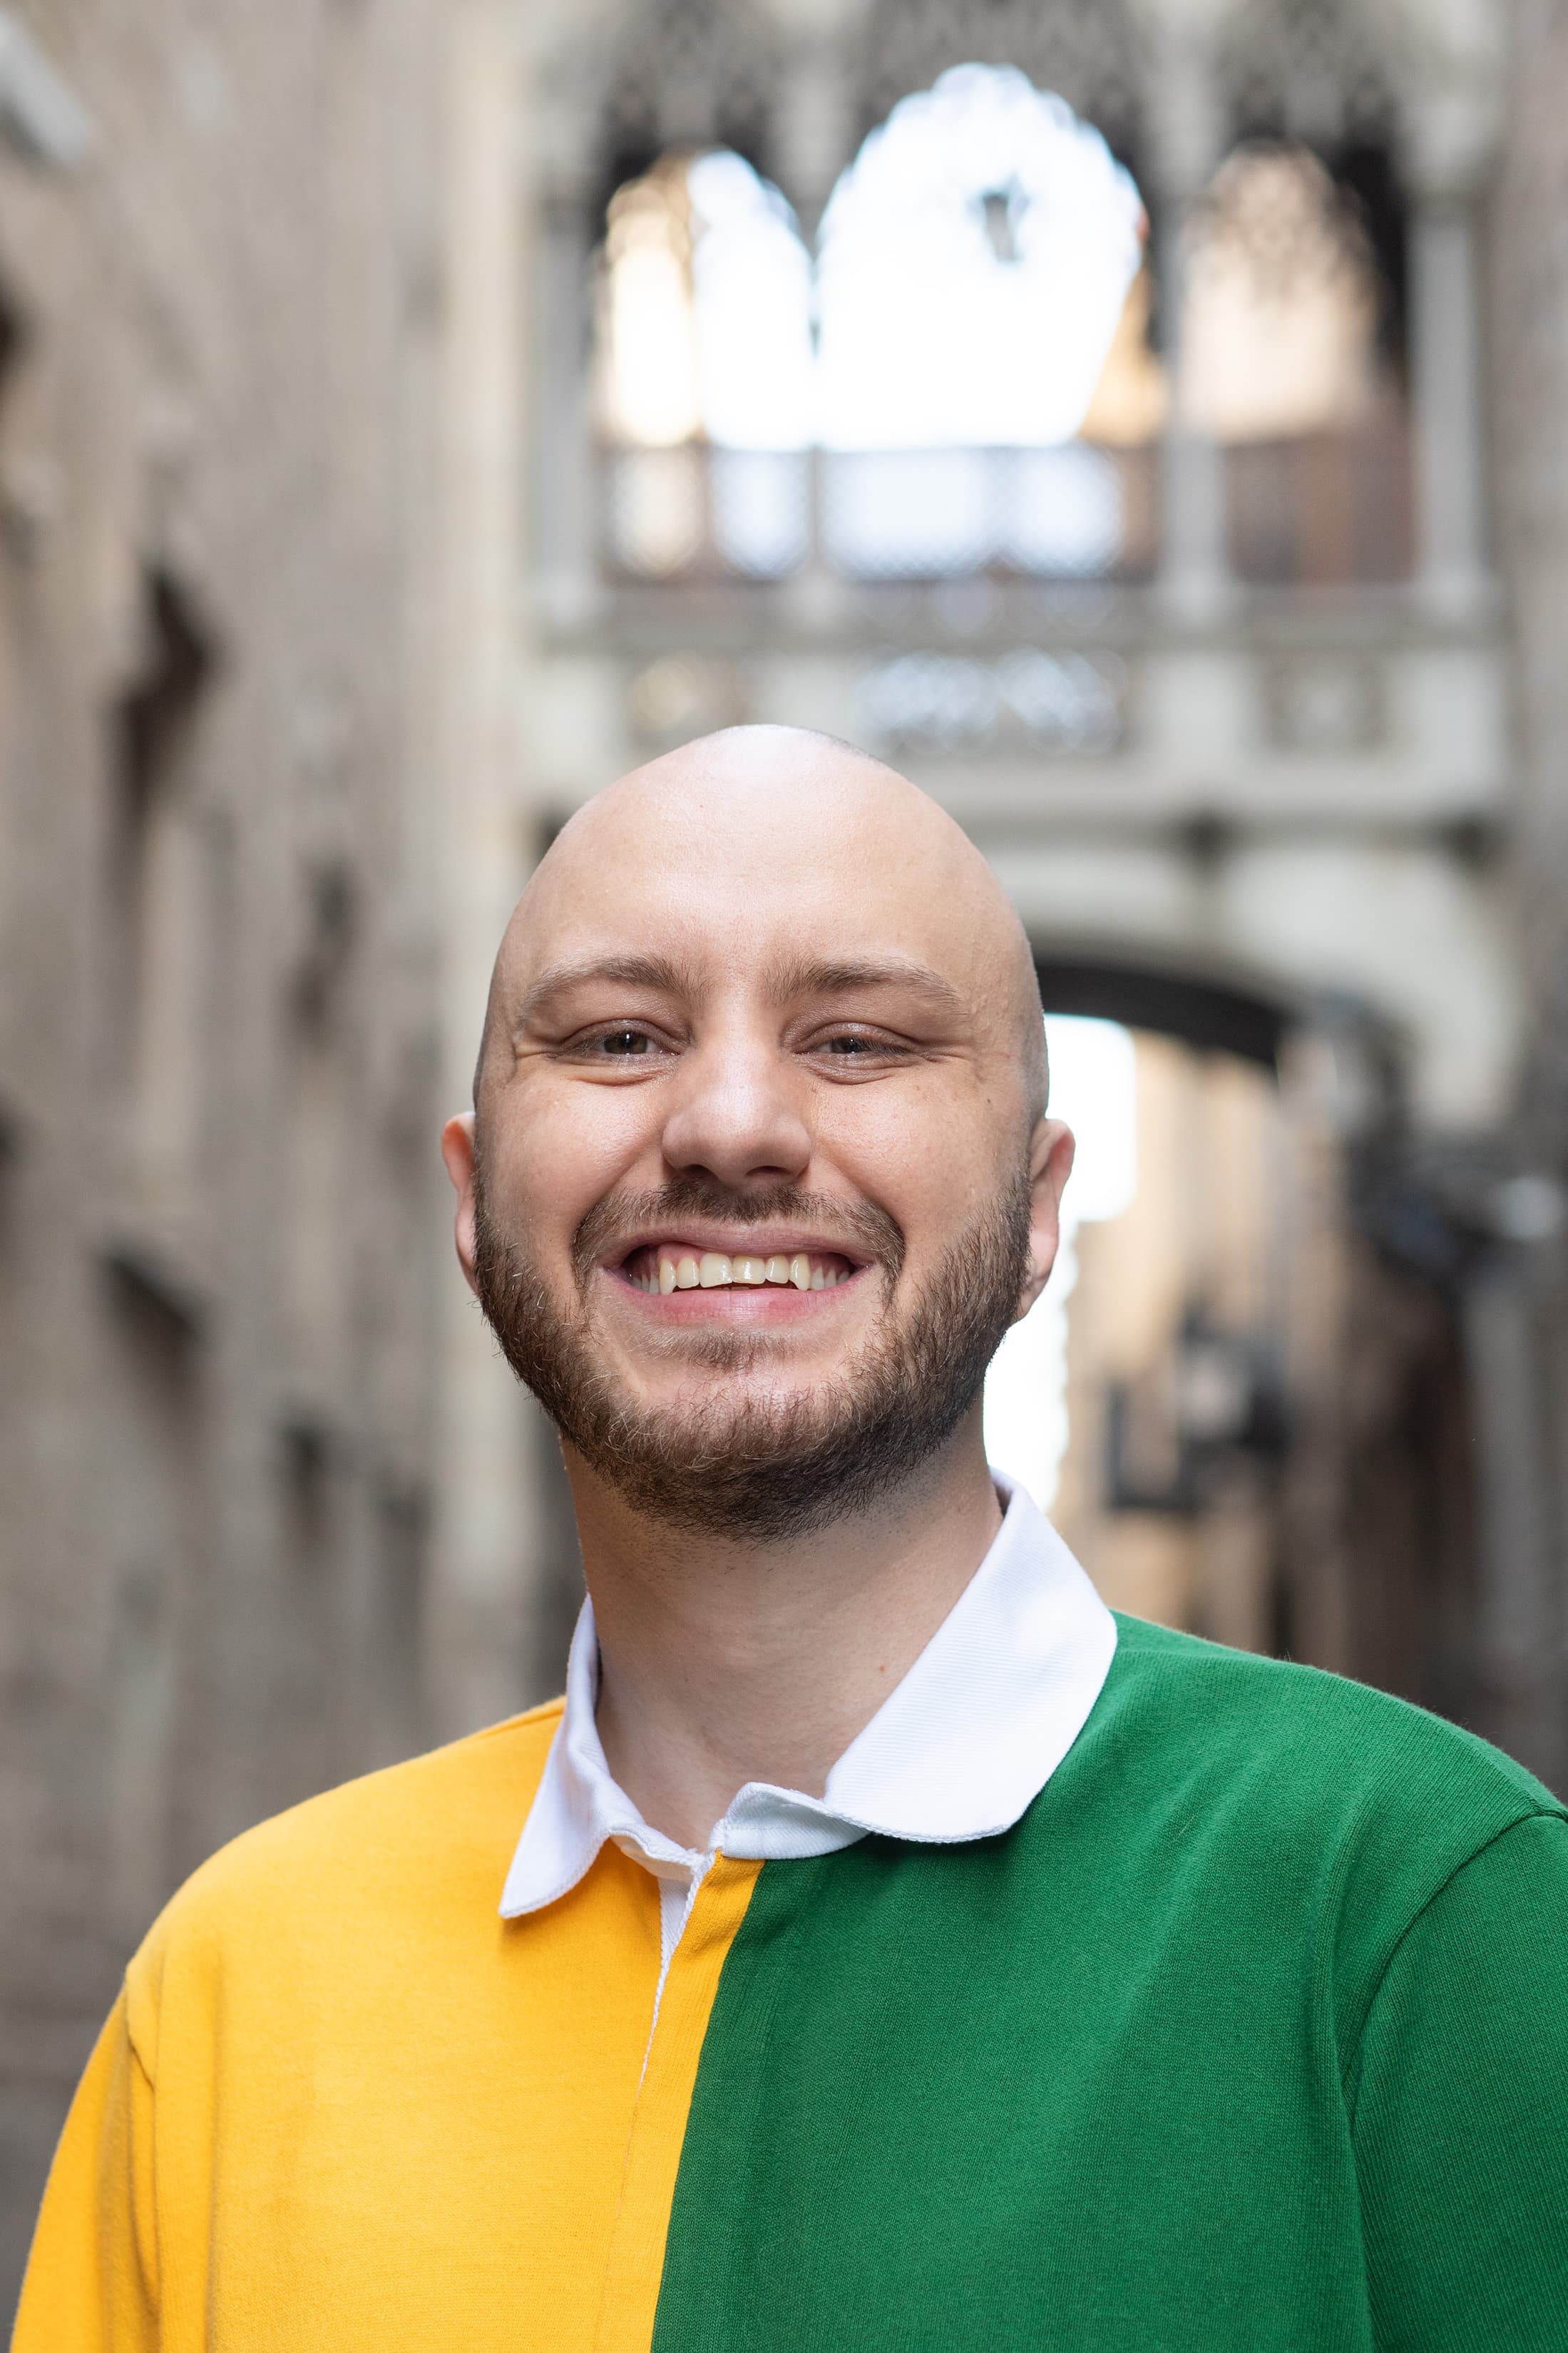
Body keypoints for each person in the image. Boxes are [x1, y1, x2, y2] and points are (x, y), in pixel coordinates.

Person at [14, 725, 1568, 2352]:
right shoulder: (238, 1992)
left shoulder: (1410, 1918)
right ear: (473, 1203)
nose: (731, 1124)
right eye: (618, 1036)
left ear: (1037, 1208)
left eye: (856, 1041)